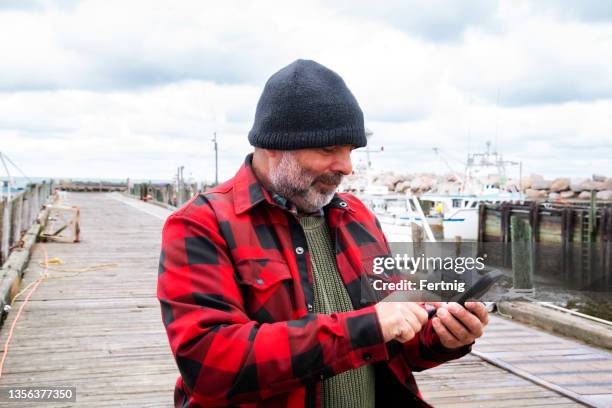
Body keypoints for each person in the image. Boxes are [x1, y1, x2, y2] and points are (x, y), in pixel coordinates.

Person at [157, 59, 488, 407]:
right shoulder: (200, 224)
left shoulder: (357, 216)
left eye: (350, 150)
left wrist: (442, 336)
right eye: (329, 149)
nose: (346, 166)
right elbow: (210, 366)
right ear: (273, 145)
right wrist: (368, 326)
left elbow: (395, 340)